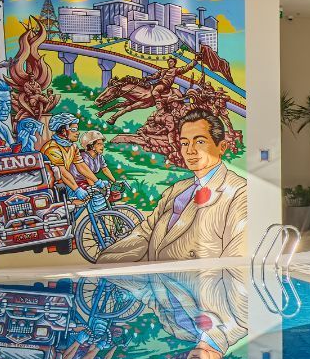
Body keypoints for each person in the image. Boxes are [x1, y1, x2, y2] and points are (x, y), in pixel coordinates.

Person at [96, 107, 247, 261]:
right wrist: (106, 260)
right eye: (184, 143)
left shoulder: (240, 193)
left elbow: (236, 265)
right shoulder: (178, 189)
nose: (190, 151)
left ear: (221, 147)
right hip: (156, 281)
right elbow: (144, 233)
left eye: (200, 141)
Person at [39, 112, 82, 191]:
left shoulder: (72, 146)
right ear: (63, 131)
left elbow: (81, 166)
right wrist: (77, 189)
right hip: (54, 186)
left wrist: (97, 181)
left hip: (67, 182)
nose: (77, 133)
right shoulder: (52, 148)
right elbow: (62, 172)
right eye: (74, 130)